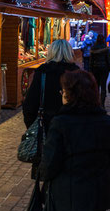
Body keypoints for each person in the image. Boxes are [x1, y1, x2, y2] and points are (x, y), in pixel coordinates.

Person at [40, 69, 110, 211]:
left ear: (70, 95)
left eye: (63, 91)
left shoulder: (60, 123)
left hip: (68, 198)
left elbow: (50, 163)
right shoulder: (107, 122)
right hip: (97, 196)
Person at [23, 39, 79, 177]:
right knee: (68, 171)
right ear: (69, 52)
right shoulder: (76, 74)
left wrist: (33, 126)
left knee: (47, 171)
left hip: (47, 129)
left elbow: (29, 105)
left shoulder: (42, 73)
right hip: (72, 129)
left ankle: (46, 196)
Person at [89, 34, 110, 108]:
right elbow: (108, 61)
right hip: (104, 69)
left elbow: (91, 61)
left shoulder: (93, 48)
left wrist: (90, 71)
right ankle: (102, 104)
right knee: (103, 86)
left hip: (95, 68)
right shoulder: (105, 48)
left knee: (96, 86)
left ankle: (96, 103)